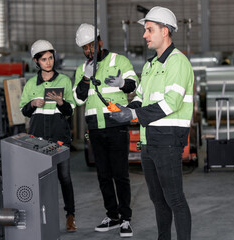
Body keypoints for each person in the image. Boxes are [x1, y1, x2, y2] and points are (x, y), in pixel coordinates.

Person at [110, 6, 193, 240]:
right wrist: (126, 110)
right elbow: (140, 98)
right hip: (148, 140)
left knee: (174, 198)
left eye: (149, 30)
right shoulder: (149, 65)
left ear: (165, 31)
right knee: (158, 199)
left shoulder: (177, 62)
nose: (145, 35)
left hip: (168, 139)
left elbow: (172, 103)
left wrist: (134, 116)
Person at [73, 23, 138, 238]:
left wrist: (121, 83)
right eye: (85, 48)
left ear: (100, 42)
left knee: (120, 175)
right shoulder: (82, 69)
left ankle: (126, 218)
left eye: (92, 45)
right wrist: (85, 77)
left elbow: (133, 84)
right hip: (95, 128)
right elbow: (78, 98)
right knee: (103, 175)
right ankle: (112, 215)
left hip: (116, 125)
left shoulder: (119, 60)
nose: (89, 50)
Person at [19, 40, 77, 232]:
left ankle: (70, 217)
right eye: (44, 59)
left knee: (65, 178)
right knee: (40, 180)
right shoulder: (30, 85)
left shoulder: (64, 81)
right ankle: (39, 217)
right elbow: (24, 111)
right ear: (36, 61)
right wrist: (33, 104)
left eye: (50, 57)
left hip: (60, 138)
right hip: (37, 140)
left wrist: (61, 102)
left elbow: (71, 110)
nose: (48, 62)